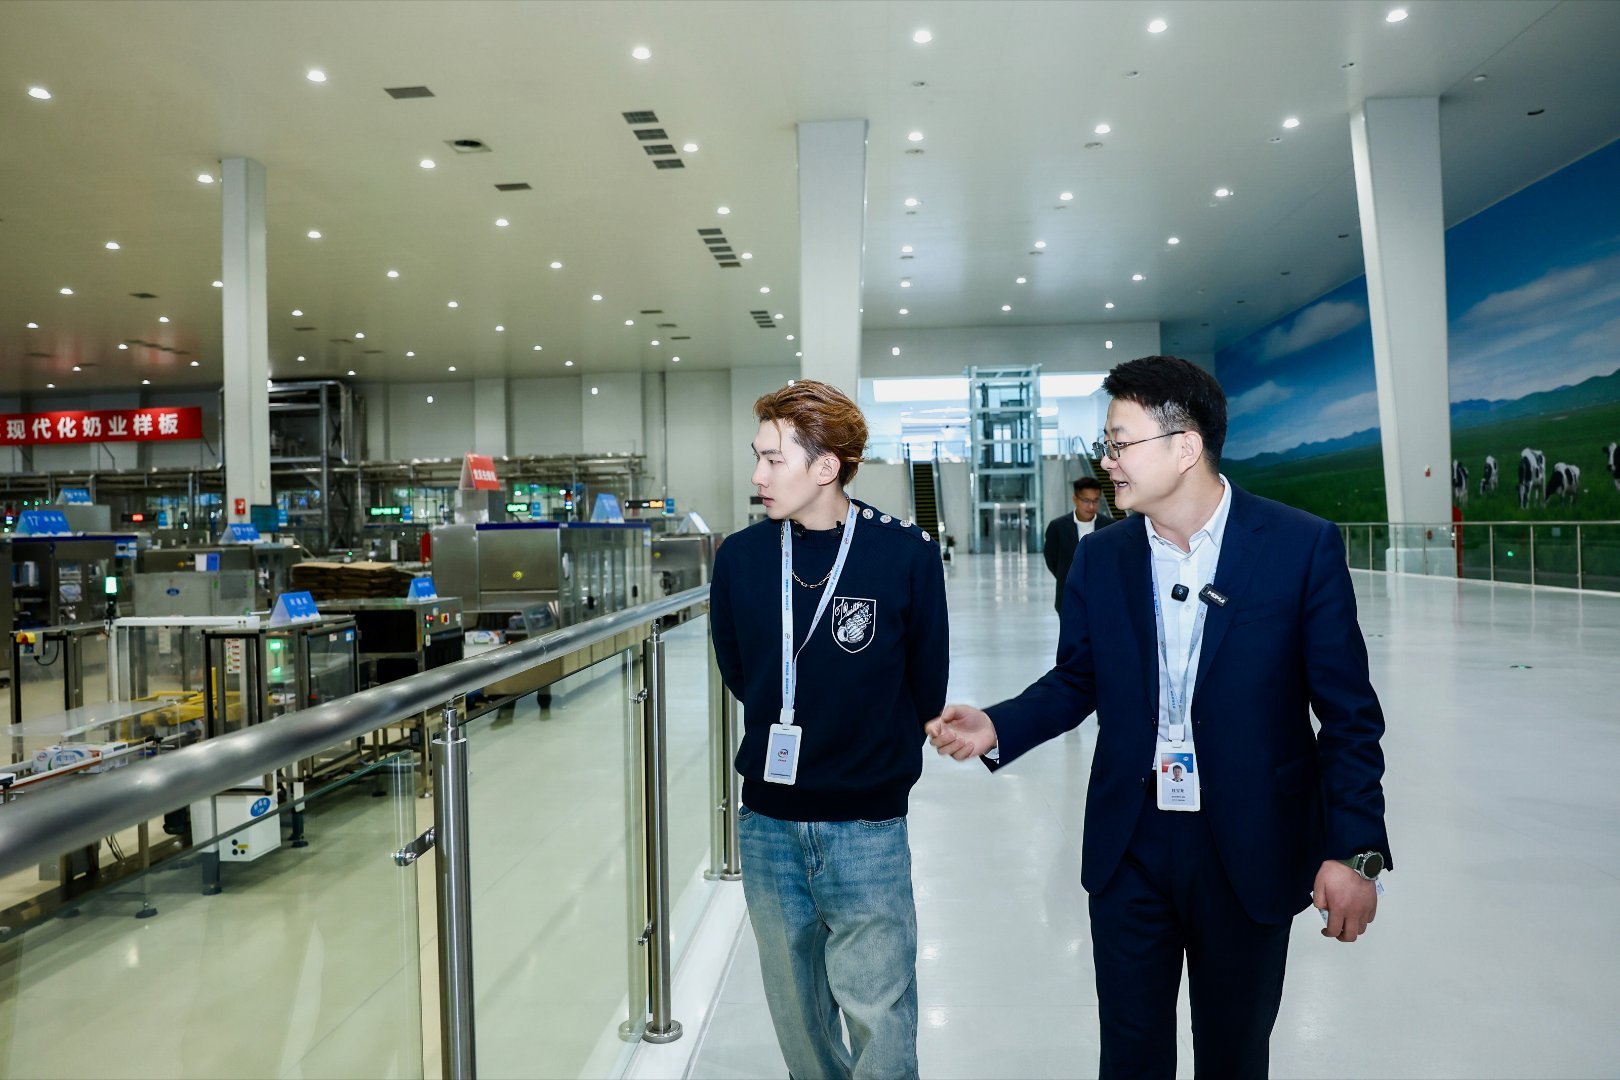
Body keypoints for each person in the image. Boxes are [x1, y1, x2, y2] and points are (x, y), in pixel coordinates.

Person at [926, 355, 1391, 1079]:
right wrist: (998, 724)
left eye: (1120, 443)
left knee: (1234, 1056)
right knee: (1130, 1055)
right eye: (1106, 444)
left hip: (1249, 845)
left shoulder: (1299, 547)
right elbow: (1078, 677)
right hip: (1132, 844)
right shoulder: (1103, 558)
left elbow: (1349, 716)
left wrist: (1356, 851)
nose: (1106, 462)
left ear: (1185, 447)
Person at [710, 378, 948, 1080]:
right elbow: (740, 669)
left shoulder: (903, 555)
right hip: (769, 822)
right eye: (757, 456)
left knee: (880, 1011)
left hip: (866, 823)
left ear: (825, 467)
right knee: (798, 1014)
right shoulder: (741, 558)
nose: (758, 475)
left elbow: (925, 682)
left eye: (773, 459)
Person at [1043, 477, 1114, 613]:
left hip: (1103, 596)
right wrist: (1067, 576)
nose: (1091, 506)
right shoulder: (1058, 527)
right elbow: (1051, 559)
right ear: (1075, 499)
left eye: (1095, 501)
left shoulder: (1110, 527)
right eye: (1086, 501)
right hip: (1068, 596)